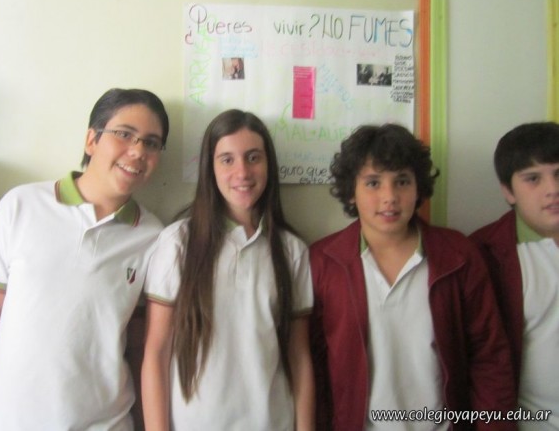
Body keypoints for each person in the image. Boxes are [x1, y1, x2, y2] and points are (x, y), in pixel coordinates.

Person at [0, 88, 169, 430]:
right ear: (92, 140)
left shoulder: (154, 236)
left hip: (104, 421)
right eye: (125, 134)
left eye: (151, 143)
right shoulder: (21, 205)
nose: (138, 151)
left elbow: (142, 346)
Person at [309, 123, 516, 431]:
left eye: (402, 181)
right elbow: (314, 366)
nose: (390, 197)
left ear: (418, 187)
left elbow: (489, 358)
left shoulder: (458, 255)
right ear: (351, 192)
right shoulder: (324, 262)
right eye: (373, 183)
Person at [142, 109, 314, 430]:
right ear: (210, 168)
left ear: (269, 164)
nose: (242, 172)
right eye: (227, 160)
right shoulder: (178, 242)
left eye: (253, 158)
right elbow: (157, 351)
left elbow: (299, 356)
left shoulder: (292, 251)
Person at [470, 122, 559, 428]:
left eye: (558, 174)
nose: (553, 189)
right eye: (533, 179)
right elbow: (480, 362)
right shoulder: (482, 256)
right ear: (508, 191)